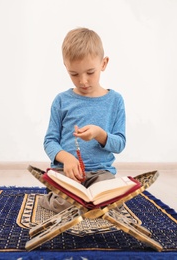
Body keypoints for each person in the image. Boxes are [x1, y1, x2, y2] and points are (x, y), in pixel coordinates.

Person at [40, 27, 126, 213]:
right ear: (66, 67)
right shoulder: (62, 101)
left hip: (101, 174)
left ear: (104, 63)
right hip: (66, 172)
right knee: (65, 203)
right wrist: (67, 159)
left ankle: (87, 201)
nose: (83, 81)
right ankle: (51, 198)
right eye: (74, 74)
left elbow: (119, 144)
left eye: (90, 72)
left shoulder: (115, 101)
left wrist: (100, 134)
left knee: (112, 202)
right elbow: (50, 141)